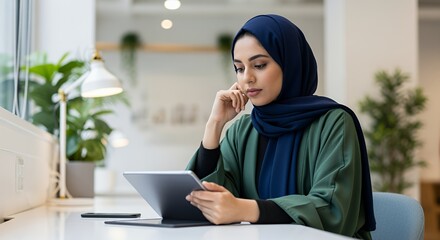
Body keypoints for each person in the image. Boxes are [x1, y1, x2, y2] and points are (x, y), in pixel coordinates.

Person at [185, 14, 376, 239]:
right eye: (239, 68)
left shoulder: (333, 123)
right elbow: (210, 201)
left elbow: (332, 210)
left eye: (259, 65)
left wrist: (245, 209)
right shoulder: (243, 130)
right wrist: (214, 125)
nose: (247, 78)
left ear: (290, 63)